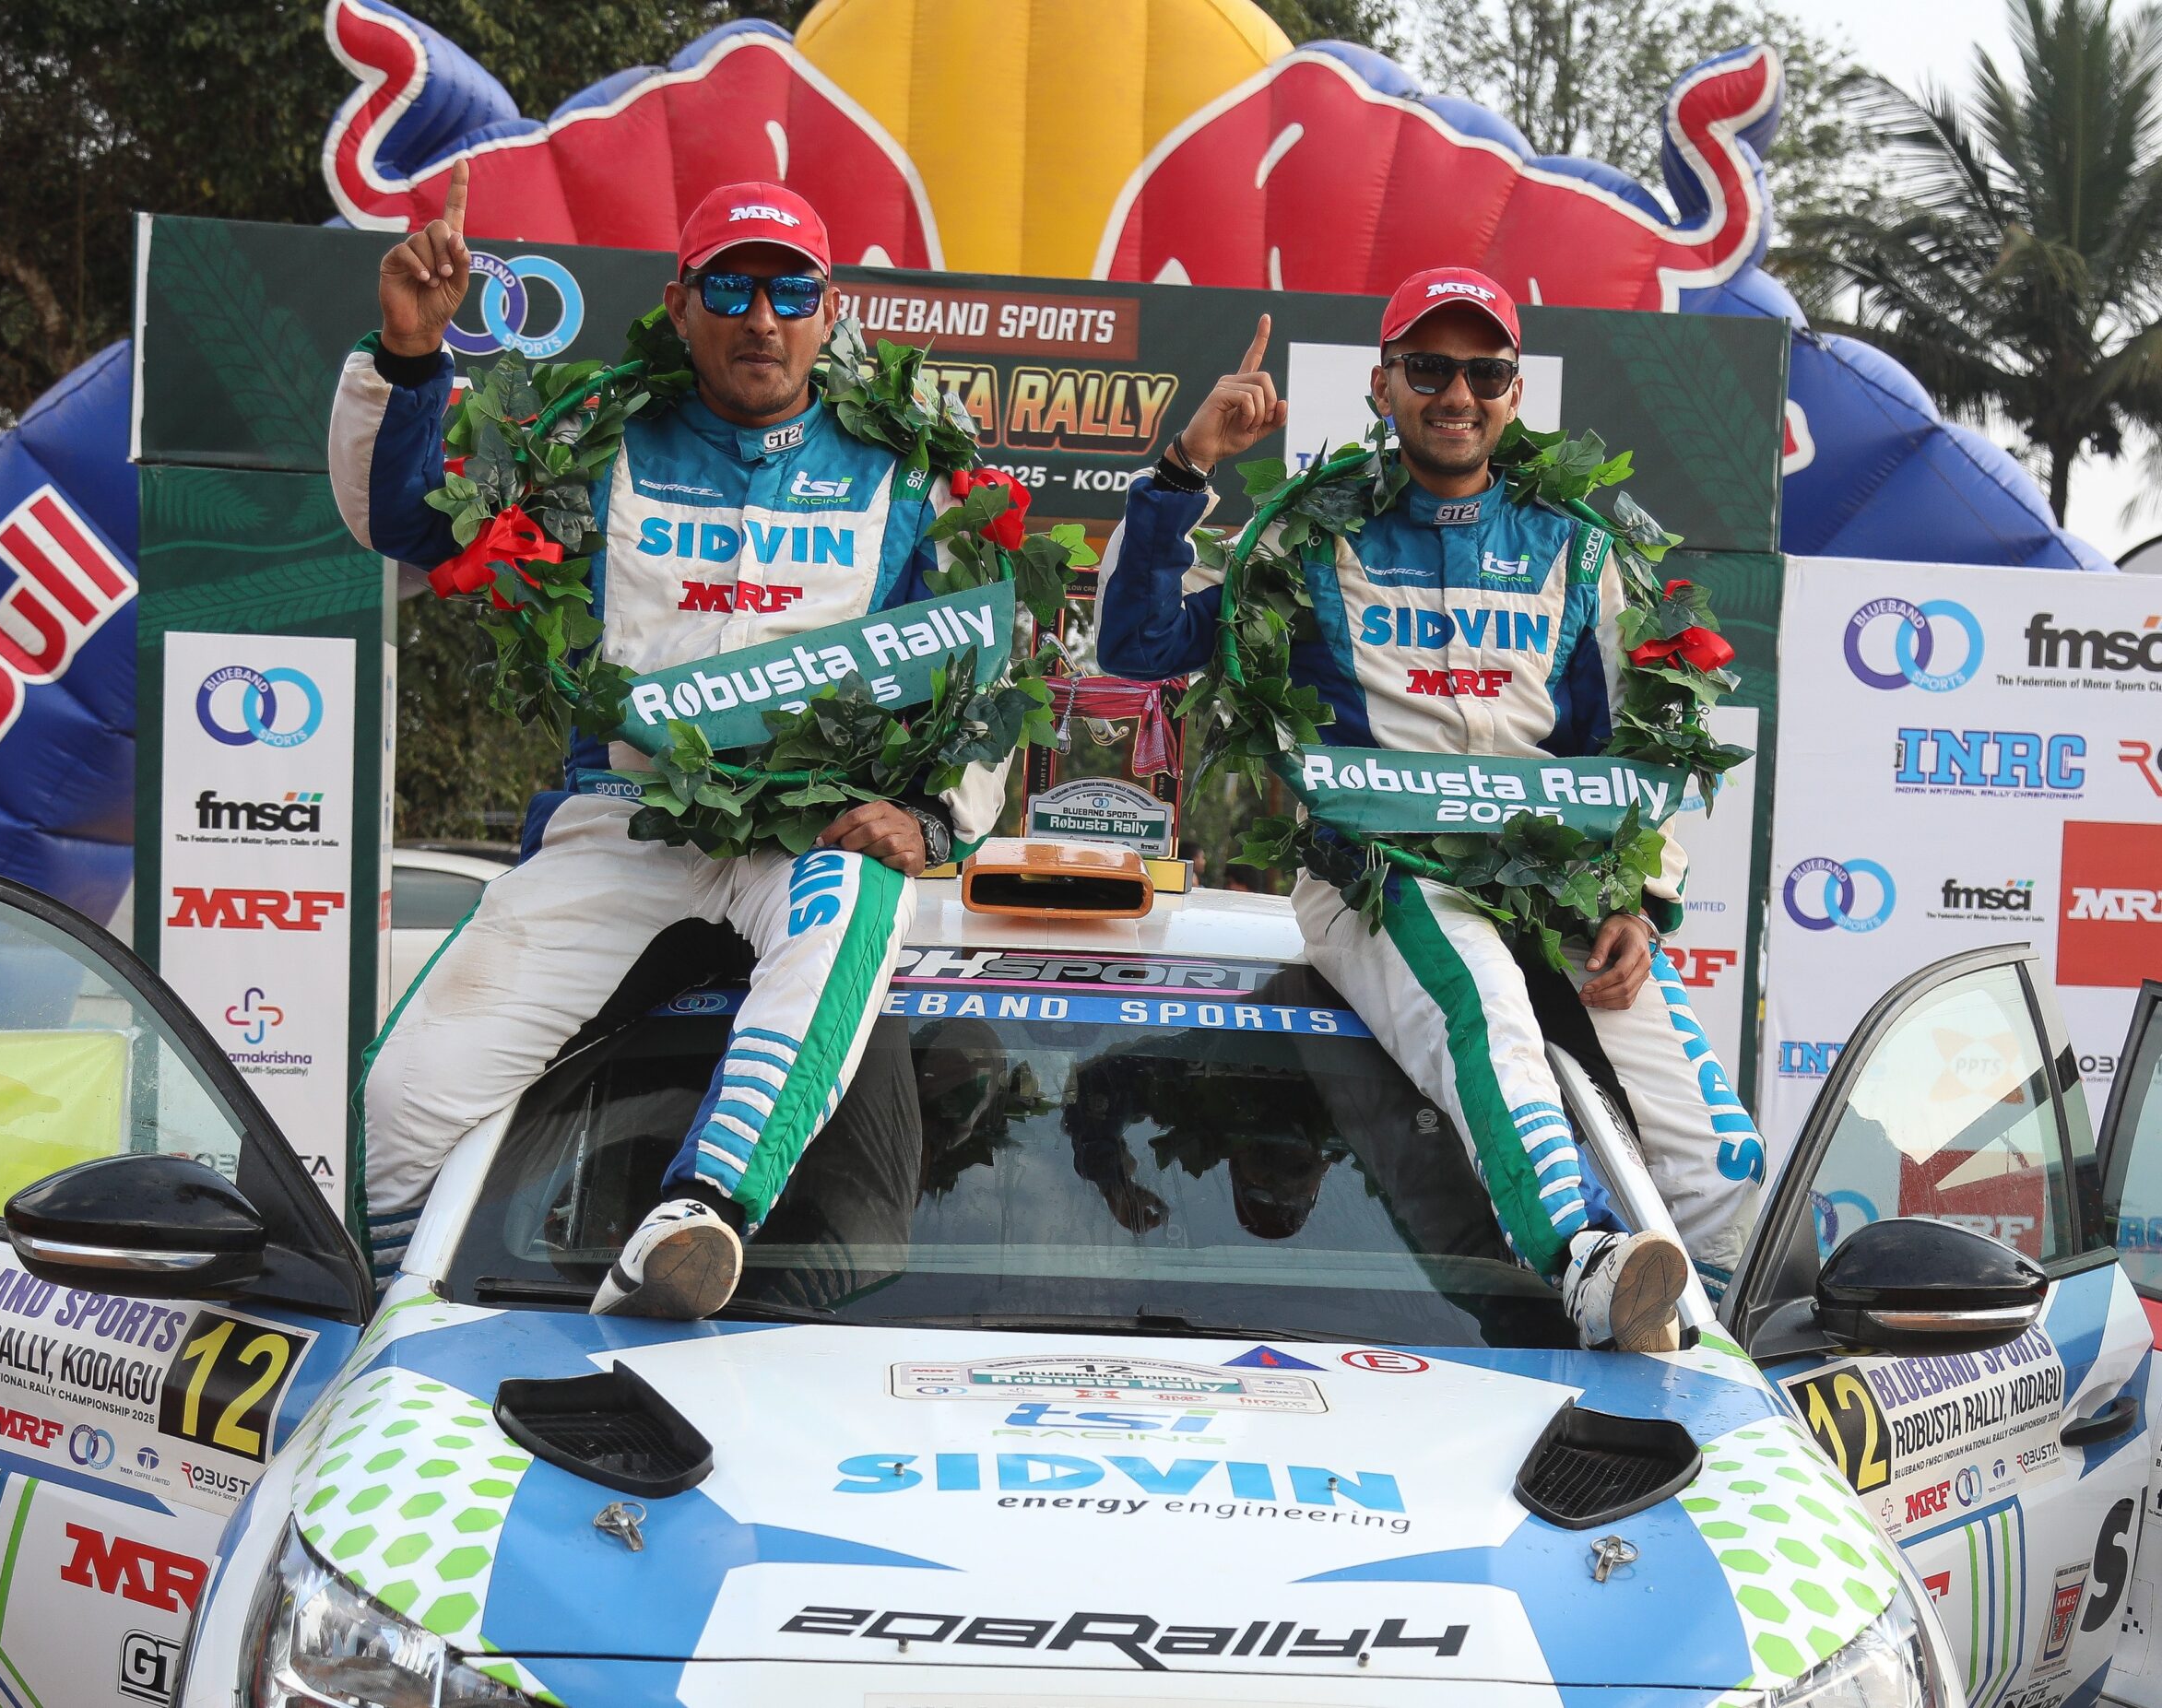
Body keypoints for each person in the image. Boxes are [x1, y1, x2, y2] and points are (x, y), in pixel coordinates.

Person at [328, 167, 1007, 1317]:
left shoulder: (911, 469)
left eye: (792, 292)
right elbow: (406, 527)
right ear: (679, 304)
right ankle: (386, 1319)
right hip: (624, 820)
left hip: (808, 831)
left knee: (854, 893)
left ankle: (697, 1217)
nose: (762, 318)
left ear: (831, 311)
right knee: (400, 1100)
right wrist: (406, 356)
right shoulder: (593, 445)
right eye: (731, 289)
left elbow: (983, 661)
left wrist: (935, 818)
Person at [1095, 267, 1765, 1352]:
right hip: (1379, 872)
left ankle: (1698, 1350)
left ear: (1513, 392)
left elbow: (1632, 747)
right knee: (1485, 1009)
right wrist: (1188, 464)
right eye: (1428, 368)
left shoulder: (1577, 545)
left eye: (1483, 372)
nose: (1457, 393)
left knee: (1721, 1164)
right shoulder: (1307, 534)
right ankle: (1583, 1261)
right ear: (1383, 385)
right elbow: (1137, 645)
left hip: (1554, 882)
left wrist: (1639, 900)